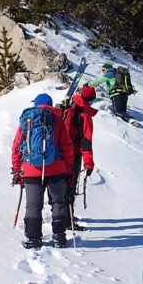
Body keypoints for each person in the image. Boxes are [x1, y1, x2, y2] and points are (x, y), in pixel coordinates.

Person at [11, 93, 75, 248]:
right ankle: (59, 236)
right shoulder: (58, 120)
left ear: (36, 105)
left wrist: (17, 171)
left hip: (31, 170)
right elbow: (67, 146)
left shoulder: (27, 121)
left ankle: (33, 238)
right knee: (58, 203)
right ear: (51, 104)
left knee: (33, 206)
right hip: (56, 169)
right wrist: (69, 169)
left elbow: (16, 147)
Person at [63, 85, 98, 229]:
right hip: (74, 154)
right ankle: (68, 221)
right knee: (71, 185)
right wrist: (89, 164)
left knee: (64, 185)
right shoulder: (84, 115)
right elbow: (86, 142)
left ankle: (63, 214)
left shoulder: (71, 106)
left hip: (62, 153)